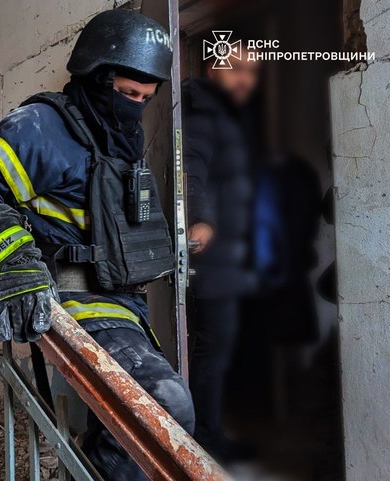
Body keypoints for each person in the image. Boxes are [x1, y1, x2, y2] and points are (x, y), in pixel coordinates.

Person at [0, 9, 194, 480]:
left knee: (131, 421)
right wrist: (16, 260)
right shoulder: (42, 126)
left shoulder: (119, 134)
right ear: (98, 77)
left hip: (121, 298)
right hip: (76, 290)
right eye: (128, 93)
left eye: (146, 97)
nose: (137, 106)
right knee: (163, 403)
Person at [182, 50, 261, 460]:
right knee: (213, 347)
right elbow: (189, 169)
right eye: (237, 68)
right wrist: (202, 220)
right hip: (213, 255)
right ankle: (205, 440)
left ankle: (212, 431)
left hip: (234, 253)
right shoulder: (202, 112)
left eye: (252, 71)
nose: (246, 78)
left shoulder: (227, 117)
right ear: (214, 69)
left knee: (225, 345)